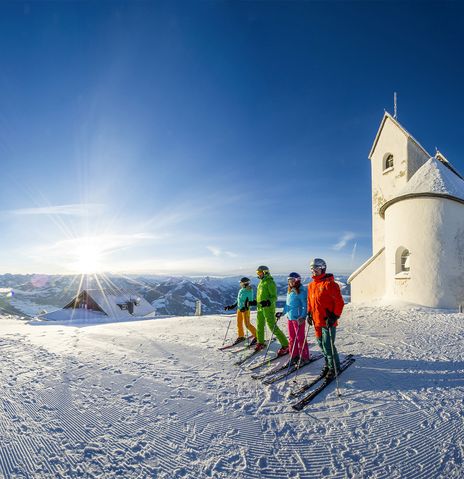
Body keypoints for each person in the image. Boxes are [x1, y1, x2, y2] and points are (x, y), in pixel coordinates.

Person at [306, 258, 344, 378]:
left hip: (328, 321)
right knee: (321, 344)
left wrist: (334, 316)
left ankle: (334, 367)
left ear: (323, 268)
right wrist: (309, 313)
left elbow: (339, 302)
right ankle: (328, 364)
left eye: (316, 268)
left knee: (328, 345)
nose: (313, 271)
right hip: (317, 320)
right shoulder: (311, 285)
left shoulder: (330, 285)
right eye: (312, 269)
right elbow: (310, 301)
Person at [249, 265, 289, 355]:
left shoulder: (270, 282)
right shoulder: (261, 283)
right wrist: (255, 302)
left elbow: (274, 297)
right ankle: (261, 342)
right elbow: (260, 297)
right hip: (260, 308)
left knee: (272, 327)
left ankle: (286, 344)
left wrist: (267, 302)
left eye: (259, 273)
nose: (258, 275)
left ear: (265, 272)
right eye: (257, 273)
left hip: (268, 308)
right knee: (260, 325)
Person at [276, 272, 310, 365]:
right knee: (292, 338)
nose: (290, 282)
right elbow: (288, 305)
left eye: (292, 280)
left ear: (297, 280)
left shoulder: (301, 291)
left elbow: (305, 306)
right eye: (289, 280)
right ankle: (294, 355)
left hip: (298, 319)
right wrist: (282, 313)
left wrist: (303, 317)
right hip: (290, 318)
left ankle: (304, 357)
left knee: (300, 338)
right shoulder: (290, 291)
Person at [224, 277, 257, 345]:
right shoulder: (241, 290)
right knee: (239, 323)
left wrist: (245, 307)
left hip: (245, 310)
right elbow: (238, 300)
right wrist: (232, 306)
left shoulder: (249, 291)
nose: (240, 284)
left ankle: (257, 336)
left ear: (245, 283)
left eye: (241, 283)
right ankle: (241, 336)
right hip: (239, 309)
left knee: (247, 324)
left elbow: (249, 301)